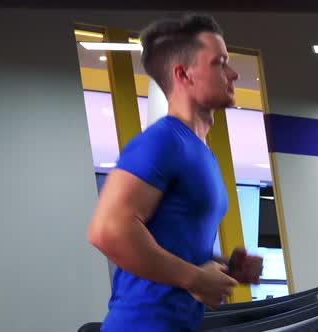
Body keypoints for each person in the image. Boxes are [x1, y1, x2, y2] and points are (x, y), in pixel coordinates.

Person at [88, 13, 263, 332]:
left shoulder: (199, 151)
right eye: (220, 63)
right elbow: (106, 230)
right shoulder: (162, 142)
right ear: (183, 74)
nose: (234, 74)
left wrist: (225, 267)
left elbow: (169, 242)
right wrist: (196, 278)